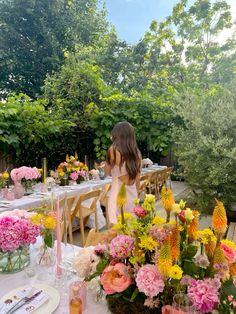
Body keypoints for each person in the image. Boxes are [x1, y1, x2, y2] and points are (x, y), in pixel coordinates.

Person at [104, 122, 141, 224]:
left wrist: (107, 162)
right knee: (132, 229)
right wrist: (137, 197)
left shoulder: (113, 150)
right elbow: (138, 179)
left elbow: (106, 173)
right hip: (132, 195)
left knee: (118, 233)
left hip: (118, 196)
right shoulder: (137, 153)